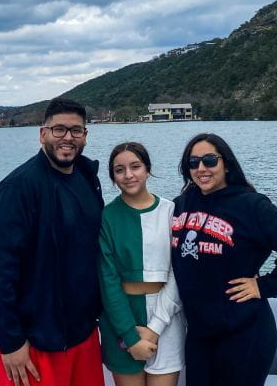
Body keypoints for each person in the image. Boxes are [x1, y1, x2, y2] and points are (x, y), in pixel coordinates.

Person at [0, 97, 105, 386]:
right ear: (42, 133)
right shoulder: (16, 189)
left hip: (82, 335)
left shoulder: (86, 179)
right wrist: (10, 342)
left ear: (85, 136)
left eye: (76, 130)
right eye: (59, 129)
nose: (67, 138)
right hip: (36, 343)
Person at [170, 133, 277, 386]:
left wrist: (264, 286)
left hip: (243, 332)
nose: (201, 168)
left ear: (226, 163)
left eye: (209, 160)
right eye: (193, 163)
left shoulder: (251, 205)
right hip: (199, 332)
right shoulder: (181, 204)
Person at [98, 142, 185, 386]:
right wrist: (130, 337)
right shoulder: (107, 217)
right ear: (113, 177)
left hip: (166, 319)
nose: (128, 175)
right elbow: (108, 280)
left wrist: (155, 327)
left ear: (147, 169)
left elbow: (178, 273)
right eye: (119, 170)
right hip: (121, 321)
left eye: (135, 166)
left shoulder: (171, 211)